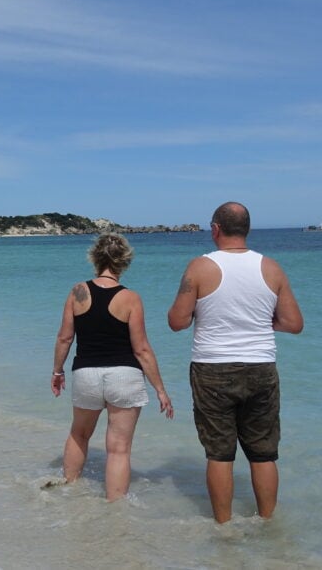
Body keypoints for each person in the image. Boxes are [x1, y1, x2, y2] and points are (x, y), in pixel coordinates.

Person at [168, 201, 303, 523]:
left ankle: (224, 527)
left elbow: (177, 321)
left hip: (213, 368)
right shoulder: (271, 267)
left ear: (215, 229)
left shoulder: (200, 267)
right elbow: (294, 323)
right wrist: (260, 324)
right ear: (247, 230)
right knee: (263, 452)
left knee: (219, 453)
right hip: (260, 366)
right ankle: (268, 522)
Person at [51, 233, 173, 501]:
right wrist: (160, 390)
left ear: (95, 258)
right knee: (119, 449)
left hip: (85, 374)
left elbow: (64, 337)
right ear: (124, 262)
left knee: (79, 433)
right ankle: (115, 510)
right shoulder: (130, 298)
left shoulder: (78, 292)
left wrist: (57, 371)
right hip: (124, 376)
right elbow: (141, 348)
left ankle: (68, 492)